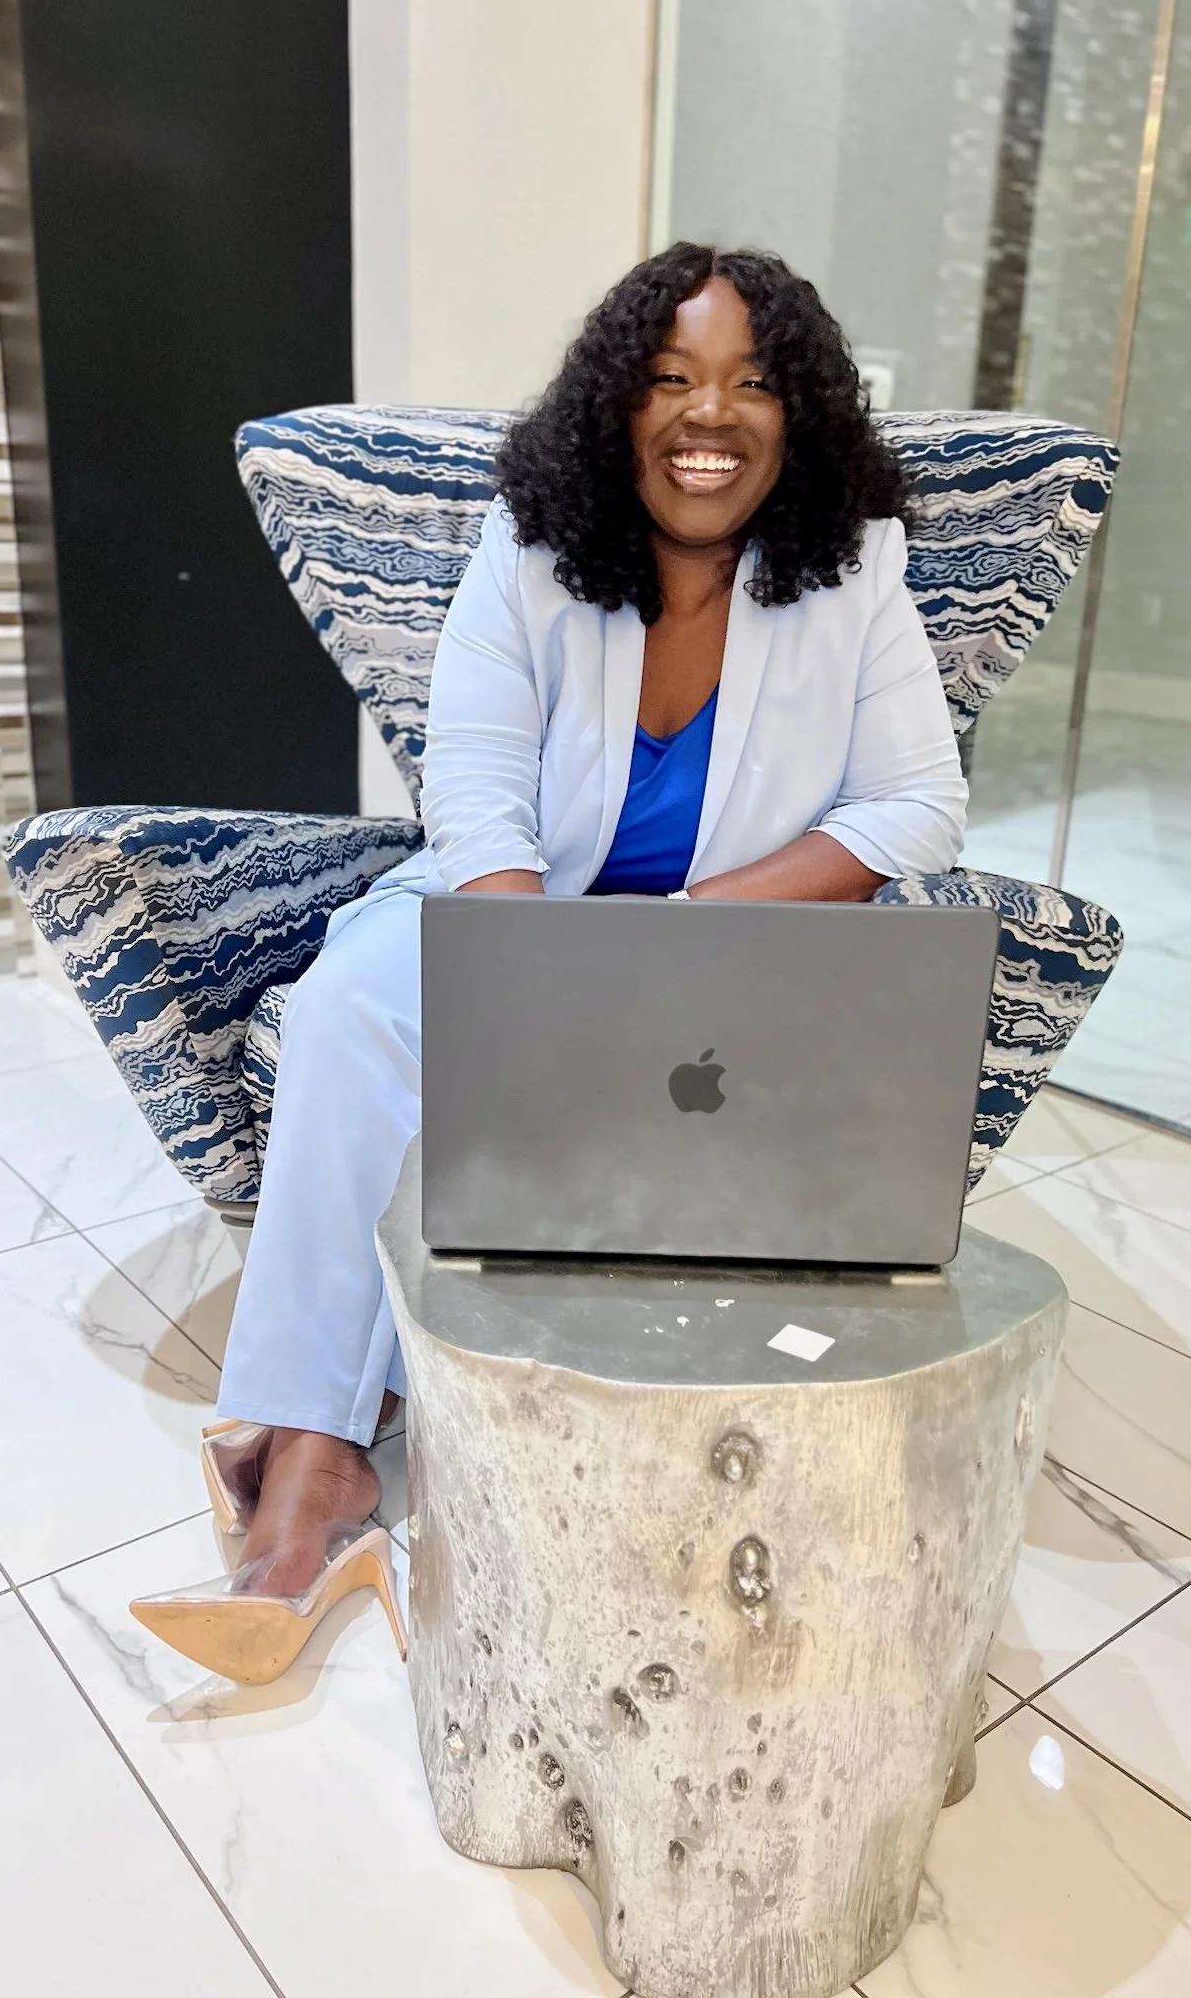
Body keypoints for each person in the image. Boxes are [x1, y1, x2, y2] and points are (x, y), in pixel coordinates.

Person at [131, 244, 967, 1679]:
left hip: (741, 938)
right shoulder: (527, 548)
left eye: (754, 383)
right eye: (672, 380)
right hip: (506, 896)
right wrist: (540, 968)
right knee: (351, 1010)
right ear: (617, 408)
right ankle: (319, 1467)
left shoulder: (856, 572)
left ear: (802, 414)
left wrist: (683, 937)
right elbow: (468, 787)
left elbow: (915, 807)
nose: (712, 416)